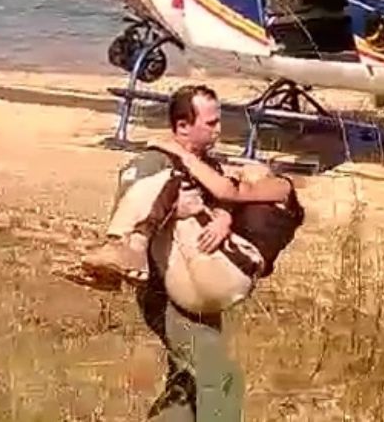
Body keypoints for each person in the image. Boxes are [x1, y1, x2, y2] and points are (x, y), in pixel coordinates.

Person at [96, 84, 299, 421]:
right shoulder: (154, 161)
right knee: (219, 380)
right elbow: (129, 205)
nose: (219, 130)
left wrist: (223, 216)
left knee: (185, 384)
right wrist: (174, 210)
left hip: (196, 284)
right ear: (182, 126)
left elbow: (227, 195)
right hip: (165, 291)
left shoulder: (210, 166)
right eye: (211, 123)